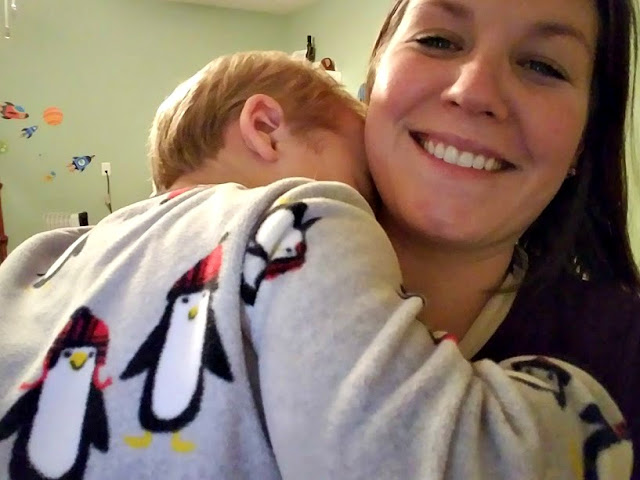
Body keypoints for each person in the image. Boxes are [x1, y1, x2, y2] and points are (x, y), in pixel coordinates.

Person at [0, 50, 631, 480]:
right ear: (267, 128)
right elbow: (396, 458)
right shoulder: (298, 218)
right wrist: (557, 410)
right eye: (365, 179)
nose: (374, 210)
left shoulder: (48, 259)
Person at [363, 0, 640, 476]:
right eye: (437, 40)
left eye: (542, 66)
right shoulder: (232, 278)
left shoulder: (627, 352)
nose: (473, 91)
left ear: (584, 140)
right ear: (373, 80)